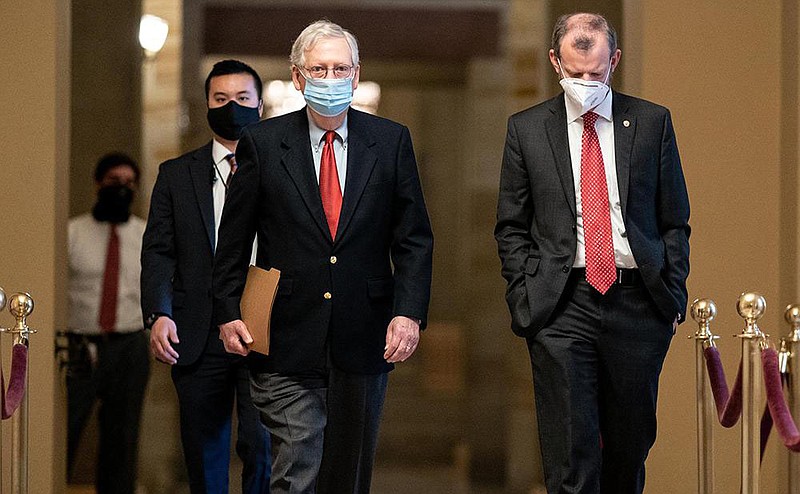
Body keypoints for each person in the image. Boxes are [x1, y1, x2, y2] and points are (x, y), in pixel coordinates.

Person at [212, 20, 434, 494]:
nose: (330, 79)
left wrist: (409, 313)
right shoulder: (265, 143)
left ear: (356, 76)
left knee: (348, 472)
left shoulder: (390, 140)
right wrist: (228, 311)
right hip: (285, 329)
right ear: (297, 77)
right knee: (300, 461)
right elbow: (234, 237)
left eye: (340, 69)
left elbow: (413, 238)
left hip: (364, 328)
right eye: (319, 69)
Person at [495, 12, 690, 494]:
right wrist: (526, 297)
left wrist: (672, 294)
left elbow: (674, 219)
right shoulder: (526, 129)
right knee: (571, 456)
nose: (586, 83)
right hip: (562, 305)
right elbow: (511, 225)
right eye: (575, 73)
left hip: (637, 301)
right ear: (554, 61)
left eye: (597, 74)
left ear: (615, 62)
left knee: (629, 448)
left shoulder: (651, 122)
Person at [141, 59, 271, 494]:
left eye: (241, 98)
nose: (230, 106)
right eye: (220, 99)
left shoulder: (280, 169)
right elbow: (159, 251)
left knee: (262, 446)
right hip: (196, 331)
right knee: (203, 451)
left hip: (264, 328)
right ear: (206, 105)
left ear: (259, 104)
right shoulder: (176, 175)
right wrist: (159, 312)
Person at [67, 152, 150, 494]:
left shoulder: (147, 236)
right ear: (99, 183)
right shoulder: (71, 232)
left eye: (129, 183)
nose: (122, 189)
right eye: (115, 181)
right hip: (78, 345)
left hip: (129, 346)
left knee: (122, 440)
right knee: (64, 430)